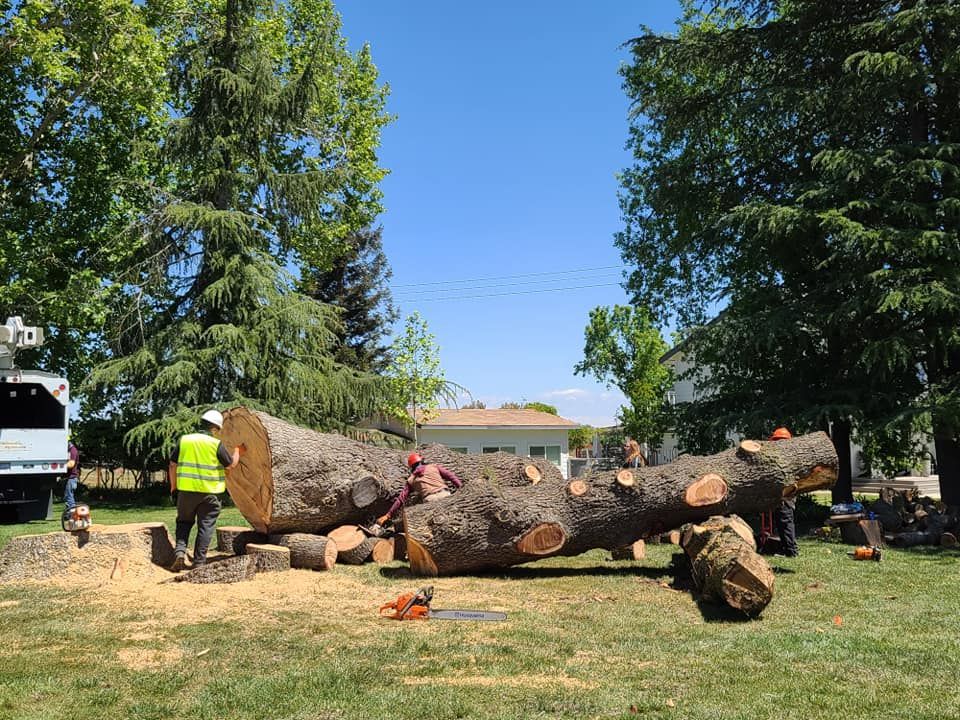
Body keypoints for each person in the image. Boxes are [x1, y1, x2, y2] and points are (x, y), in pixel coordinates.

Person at [168, 409, 241, 571]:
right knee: (206, 526)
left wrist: (174, 488)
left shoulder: (185, 440)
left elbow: (172, 465)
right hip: (211, 494)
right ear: (215, 428)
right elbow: (230, 466)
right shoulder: (216, 444)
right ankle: (199, 562)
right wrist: (237, 451)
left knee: (183, 523)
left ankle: (180, 552)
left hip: (186, 492)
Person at [377, 453, 463, 526]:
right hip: (445, 495)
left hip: (430, 501)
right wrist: (461, 488)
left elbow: (401, 499)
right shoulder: (434, 467)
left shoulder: (411, 479)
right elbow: (452, 477)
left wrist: (388, 515)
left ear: (411, 467)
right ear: (422, 461)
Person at [769, 426, 798, 557]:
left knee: (785, 522)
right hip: (782, 495)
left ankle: (791, 551)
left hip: (787, 496)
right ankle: (787, 549)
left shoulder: (787, 458)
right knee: (782, 523)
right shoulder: (783, 456)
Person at [63, 437, 80, 510]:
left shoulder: (73, 451)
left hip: (72, 478)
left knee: (69, 497)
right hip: (71, 478)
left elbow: (71, 464)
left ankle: (73, 514)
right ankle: (69, 515)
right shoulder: (69, 450)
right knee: (68, 496)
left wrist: (60, 466)